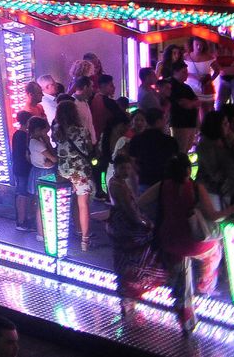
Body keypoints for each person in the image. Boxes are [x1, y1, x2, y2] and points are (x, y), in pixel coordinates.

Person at [140, 152, 221, 335]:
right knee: (215, 248)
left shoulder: (162, 186)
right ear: (188, 169)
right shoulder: (196, 188)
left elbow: (141, 202)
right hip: (194, 242)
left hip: (169, 241)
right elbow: (214, 216)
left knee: (181, 277)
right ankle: (206, 283)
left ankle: (185, 316)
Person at [105, 152, 160, 312]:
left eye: (128, 167)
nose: (126, 171)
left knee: (125, 260)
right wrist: (143, 223)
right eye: (123, 167)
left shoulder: (118, 182)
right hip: (124, 224)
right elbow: (129, 209)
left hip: (121, 223)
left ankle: (127, 295)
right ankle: (130, 293)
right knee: (137, 256)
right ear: (115, 168)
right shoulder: (117, 185)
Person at [52, 99, 95, 249]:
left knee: (65, 203)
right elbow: (89, 149)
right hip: (81, 171)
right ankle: (85, 239)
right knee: (83, 205)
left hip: (63, 170)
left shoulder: (57, 130)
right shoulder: (82, 130)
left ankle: (63, 234)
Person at [194, 109, 234, 210]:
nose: (228, 126)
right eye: (225, 124)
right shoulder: (205, 146)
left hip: (229, 186)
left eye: (228, 123)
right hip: (211, 189)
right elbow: (214, 174)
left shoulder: (227, 139)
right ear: (216, 126)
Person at [162, 59, 200, 151]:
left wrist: (190, 103)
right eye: (184, 72)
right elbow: (182, 103)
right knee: (180, 149)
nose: (186, 74)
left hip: (190, 121)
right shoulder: (170, 85)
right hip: (179, 122)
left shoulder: (186, 87)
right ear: (175, 72)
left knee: (187, 148)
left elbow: (197, 101)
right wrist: (190, 103)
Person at [10, 111, 34, 231]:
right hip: (24, 168)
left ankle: (21, 220)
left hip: (18, 167)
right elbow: (27, 154)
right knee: (23, 194)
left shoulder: (16, 134)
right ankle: (22, 221)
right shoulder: (25, 136)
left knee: (21, 193)